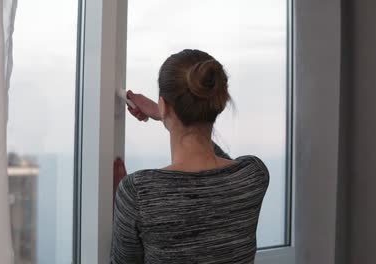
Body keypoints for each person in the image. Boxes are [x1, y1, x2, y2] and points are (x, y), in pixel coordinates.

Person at [111, 49, 269, 264]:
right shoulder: (253, 174)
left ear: (163, 104)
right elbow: (222, 171)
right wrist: (168, 115)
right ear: (219, 104)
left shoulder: (138, 192)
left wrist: (123, 210)